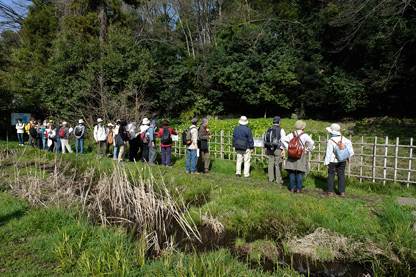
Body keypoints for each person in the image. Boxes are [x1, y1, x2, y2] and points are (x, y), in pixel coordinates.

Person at [281, 120, 315, 193]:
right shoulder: (305, 135)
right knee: (300, 171)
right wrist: (307, 149)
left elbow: (283, 139)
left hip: (291, 154)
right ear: (303, 127)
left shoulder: (291, 134)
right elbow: (311, 143)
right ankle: (299, 189)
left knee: (292, 171)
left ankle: (292, 187)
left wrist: (288, 147)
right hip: (301, 154)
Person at [324, 123, 354, 197]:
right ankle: (342, 192)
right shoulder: (344, 139)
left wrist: (326, 162)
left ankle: (330, 191)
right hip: (342, 160)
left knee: (331, 175)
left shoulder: (331, 140)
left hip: (332, 161)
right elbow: (350, 149)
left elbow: (328, 153)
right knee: (341, 175)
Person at [264, 116, 286, 184]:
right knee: (278, 164)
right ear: (279, 122)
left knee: (270, 164)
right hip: (278, 148)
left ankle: (270, 179)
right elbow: (283, 140)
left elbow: (265, 140)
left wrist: (266, 149)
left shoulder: (268, 129)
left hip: (269, 148)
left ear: (273, 122)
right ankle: (278, 180)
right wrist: (283, 150)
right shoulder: (281, 130)